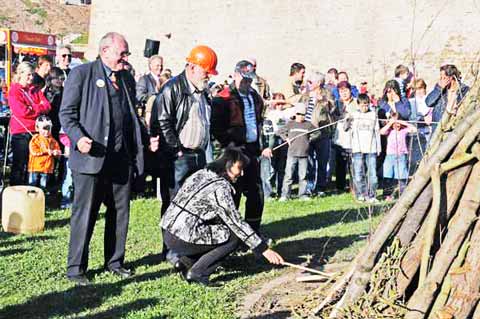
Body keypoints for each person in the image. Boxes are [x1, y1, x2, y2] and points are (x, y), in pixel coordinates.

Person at [60, 32, 146, 285]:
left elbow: (131, 116)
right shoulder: (82, 74)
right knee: (85, 214)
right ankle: (76, 268)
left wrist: (145, 138)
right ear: (105, 51)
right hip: (91, 159)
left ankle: (115, 261)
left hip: (120, 159)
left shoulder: (126, 79)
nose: (125, 58)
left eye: (126, 53)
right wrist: (79, 138)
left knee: (120, 213)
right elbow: (66, 113)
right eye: (122, 53)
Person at [161, 147, 284, 286]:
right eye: (240, 168)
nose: (242, 173)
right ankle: (198, 272)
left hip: (168, 232)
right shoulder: (220, 187)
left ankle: (184, 264)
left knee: (216, 228)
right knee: (234, 235)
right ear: (228, 165)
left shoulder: (201, 174)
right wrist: (263, 249)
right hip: (183, 237)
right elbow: (236, 223)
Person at [149, 45, 218, 260]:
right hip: (178, 157)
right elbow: (162, 121)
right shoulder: (172, 88)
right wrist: (176, 150)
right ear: (192, 67)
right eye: (205, 71)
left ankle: (188, 245)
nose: (208, 76)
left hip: (197, 154)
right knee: (174, 203)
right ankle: (171, 250)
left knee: (192, 203)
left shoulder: (201, 92)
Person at [211, 60, 267, 232]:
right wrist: (230, 147)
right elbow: (216, 128)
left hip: (251, 150)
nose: (247, 83)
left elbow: (258, 122)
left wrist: (259, 145)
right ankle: (230, 233)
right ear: (235, 75)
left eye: (250, 80)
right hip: (233, 151)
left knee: (256, 193)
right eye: (244, 79)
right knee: (232, 192)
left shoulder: (255, 97)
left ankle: (253, 231)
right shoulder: (224, 98)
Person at [9, 62, 51, 186]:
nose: (31, 78)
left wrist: (32, 107)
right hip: (21, 132)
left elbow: (47, 106)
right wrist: (38, 108)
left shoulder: (35, 90)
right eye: (28, 75)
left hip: (36, 131)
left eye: (32, 75)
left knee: (32, 163)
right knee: (19, 164)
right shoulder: (15, 91)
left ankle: (30, 191)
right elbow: (22, 111)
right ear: (20, 74)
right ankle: (15, 190)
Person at [301, 71, 335, 196]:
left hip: (322, 132)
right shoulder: (305, 95)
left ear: (319, 83)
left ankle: (320, 187)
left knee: (322, 161)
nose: (308, 83)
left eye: (311, 81)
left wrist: (324, 101)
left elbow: (332, 109)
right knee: (309, 162)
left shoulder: (327, 94)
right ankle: (309, 187)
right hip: (307, 132)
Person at [278, 103, 318, 201]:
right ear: (295, 114)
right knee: (288, 175)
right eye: (299, 114)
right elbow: (280, 131)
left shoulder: (308, 125)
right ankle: (285, 195)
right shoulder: (290, 124)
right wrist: (286, 138)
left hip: (304, 154)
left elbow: (317, 132)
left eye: (303, 114)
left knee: (303, 176)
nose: (301, 116)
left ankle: (303, 195)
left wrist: (310, 139)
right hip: (292, 153)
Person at [348, 94, 381, 202]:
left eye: (367, 105)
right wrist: (348, 120)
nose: (365, 107)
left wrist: (379, 147)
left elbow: (377, 132)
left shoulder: (373, 115)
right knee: (358, 174)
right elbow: (346, 128)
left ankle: (372, 195)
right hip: (357, 149)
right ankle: (361, 194)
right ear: (358, 105)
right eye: (362, 105)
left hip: (371, 148)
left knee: (373, 175)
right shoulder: (354, 115)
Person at [380, 113, 417, 200]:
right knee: (388, 176)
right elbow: (381, 132)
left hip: (401, 156)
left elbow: (414, 129)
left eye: (398, 122)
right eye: (394, 123)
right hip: (390, 156)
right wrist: (390, 123)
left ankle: (402, 194)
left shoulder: (404, 130)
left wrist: (403, 123)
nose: (396, 125)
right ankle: (387, 195)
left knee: (401, 176)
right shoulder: (389, 130)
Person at [425, 64, 469, 132]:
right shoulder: (439, 89)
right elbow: (428, 103)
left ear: (451, 78)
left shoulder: (464, 90)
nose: (441, 80)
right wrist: (439, 89)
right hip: (438, 129)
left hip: (454, 129)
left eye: (443, 78)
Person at [331, 81, 356, 193]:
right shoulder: (336, 104)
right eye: (341, 91)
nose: (344, 93)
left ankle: (354, 186)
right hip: (340, 137)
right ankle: (340, 187)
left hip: (353, 136)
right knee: (340, 163)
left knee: (353, 163)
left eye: (346, 90)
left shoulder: (356, 103)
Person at [28, 115, 61, 189]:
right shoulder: (35, 139)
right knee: (32, 186)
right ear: (37, 128)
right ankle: (31, 199)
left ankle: (42, 198)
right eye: (44, 128)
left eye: (48, 128)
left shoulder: (53, 141)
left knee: (43, 187)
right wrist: (46, 151)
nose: (46, 131)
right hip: (35, 167)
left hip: (47, 168)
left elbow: (58, 152)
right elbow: (33, 151)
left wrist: (56, 153)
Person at [408, 79, 432, 174]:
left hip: (428, 131)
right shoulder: (411, 102)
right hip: (415, 132)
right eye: (417, 89)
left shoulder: (430, 100)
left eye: (421, 88)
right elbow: (411, 117)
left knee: (427, 155)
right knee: (415, 158)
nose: (419, 91)